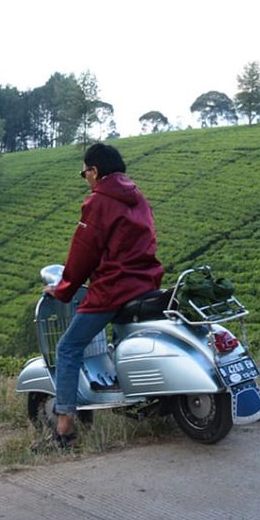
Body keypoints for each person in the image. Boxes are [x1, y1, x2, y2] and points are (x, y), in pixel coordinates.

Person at [42, 142, 163, 448]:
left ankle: (65, 426)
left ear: (94, 171)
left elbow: (83, 253)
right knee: (124, 338)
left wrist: (63, 289)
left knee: (68, 347)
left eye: (84, 173)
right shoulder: (138, 197)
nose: (85, 178)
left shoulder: (98, 202)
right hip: (145, 283)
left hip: (113, 288)